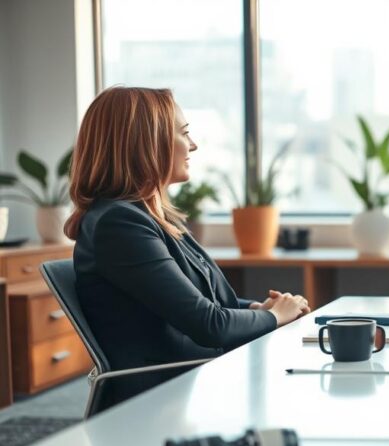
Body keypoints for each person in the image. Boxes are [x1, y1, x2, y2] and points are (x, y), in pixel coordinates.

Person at [66, 87, 309, 413]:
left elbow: (195, 300)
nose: (193, 145)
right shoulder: (121, 225)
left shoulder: (150, 217)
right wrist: (272, 316)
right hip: (160, 398)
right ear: (147, 142)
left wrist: (256, 307)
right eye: (184, 134)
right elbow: (208, 325)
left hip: (190, 379)